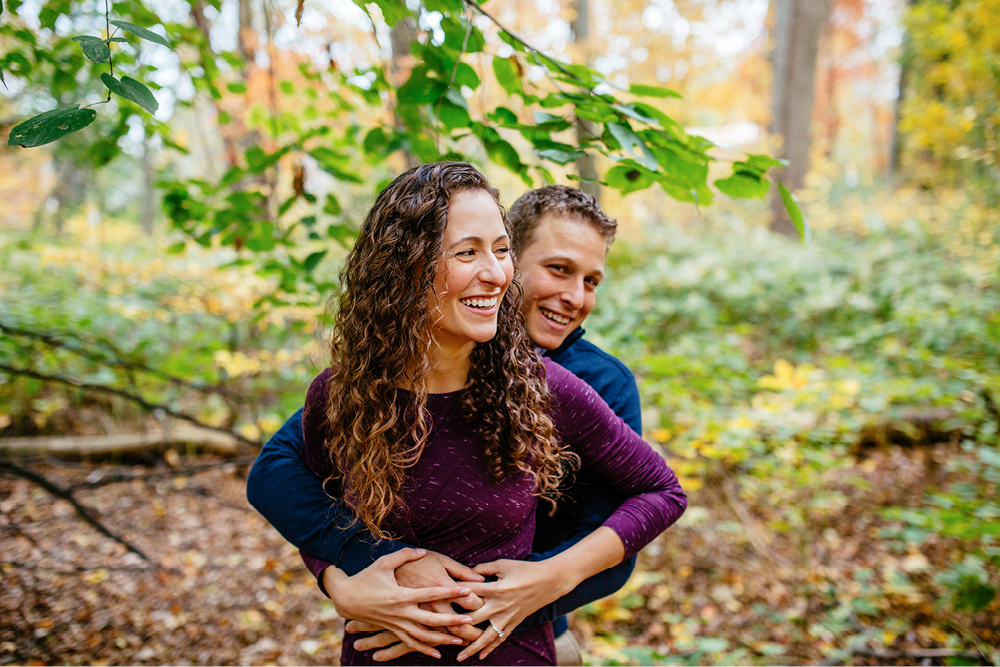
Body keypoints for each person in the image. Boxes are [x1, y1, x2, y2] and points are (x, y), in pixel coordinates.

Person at [247, 163, 686, 665]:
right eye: (470, 251)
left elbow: (652, 499)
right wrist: (343, 575)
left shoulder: (573, 384)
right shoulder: (347, 392)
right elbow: (304, 491)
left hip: (516, 635)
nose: (573, 297)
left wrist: (515, 591)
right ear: (407, 265)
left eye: (498, 252)